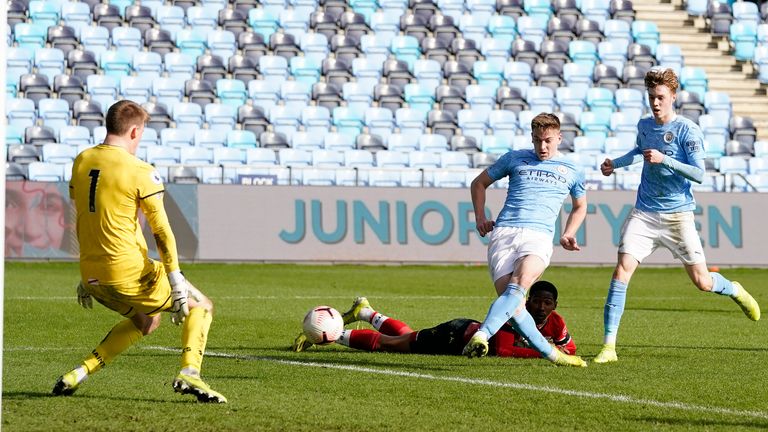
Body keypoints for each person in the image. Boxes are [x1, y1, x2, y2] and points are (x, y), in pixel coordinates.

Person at [52, 100, 226, 403]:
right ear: (134, 131)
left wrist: (87, 273)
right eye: (142, 132)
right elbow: (162, 232)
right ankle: (190, 373)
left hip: (92, 275)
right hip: (129, 273)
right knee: (202, 306)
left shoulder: (82, 161)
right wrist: (176, 281)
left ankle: (79, 372)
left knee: (147, 321)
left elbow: (81, 218)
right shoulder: (140, 171)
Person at [593, 68, 761, 364]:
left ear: (673, 96)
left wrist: (666, 160)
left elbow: (699, 174)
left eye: (660, 97)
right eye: (651, 97)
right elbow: (640, 151)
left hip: (678, 215)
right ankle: (608, 347)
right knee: (621, 271)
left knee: (703, 282)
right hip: (644, 213)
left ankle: (734, 289)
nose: (655, 103)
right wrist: (614, 164)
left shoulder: (687, 130)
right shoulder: (645, 125)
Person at [461, 113, 588, 367]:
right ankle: (553, 354)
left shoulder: (572, 170)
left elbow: (580, 206)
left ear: (559, 138)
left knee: (519, 285)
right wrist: (480, 218)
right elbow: (479, 183)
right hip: (504, 234)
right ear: (532, 138)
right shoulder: (514, 158)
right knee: (515, 307)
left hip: (538, 236)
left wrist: (568, 233)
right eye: (537, 140)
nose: (542, 146)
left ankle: (482, 334)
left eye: (548, 140)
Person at [292, 281, 577, 358]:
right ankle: (332, 335)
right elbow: (502, 348)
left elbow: (570, 347)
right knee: (391, 344)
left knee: (406, 336)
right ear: (526, 301)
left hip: (459, 335)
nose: (541, 307)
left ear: (555, 305)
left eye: (547, 303)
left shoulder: (555, 321)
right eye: (536, 301)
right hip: (454, 337)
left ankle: (365, 313)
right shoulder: (513, 313)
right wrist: (545, 352)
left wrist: (560, 348)